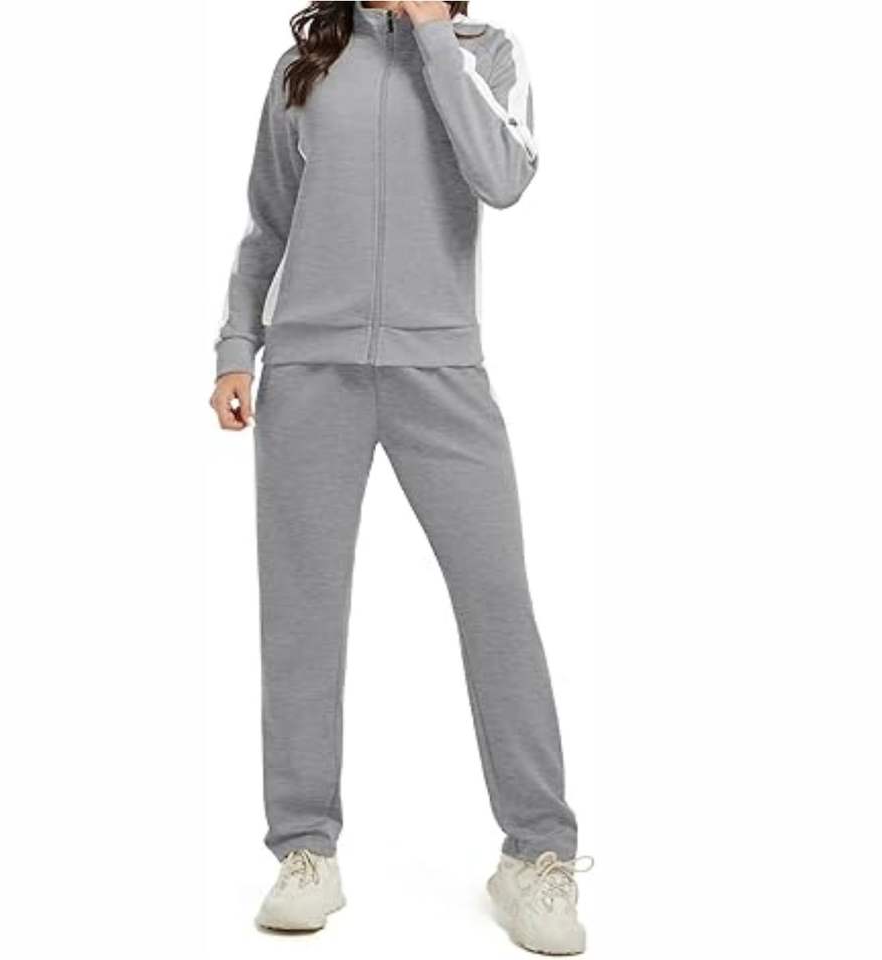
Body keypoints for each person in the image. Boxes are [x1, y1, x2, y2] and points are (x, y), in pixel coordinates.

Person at [210, 2, 590, 953]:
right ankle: (304, 848)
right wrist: (236, 346)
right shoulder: (304, 64)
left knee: (497, 603)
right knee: (301, 613)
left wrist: (429, 36)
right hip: (309, 370)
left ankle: (537, 853)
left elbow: (504, 176)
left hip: (441, 371)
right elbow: (267, 223)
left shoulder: (487, 55)